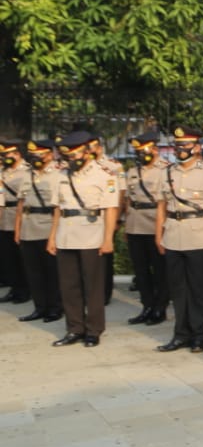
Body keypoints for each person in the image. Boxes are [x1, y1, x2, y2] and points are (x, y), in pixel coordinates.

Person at [154, 126, 203, 353]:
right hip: (173, 235)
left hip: (199, 236)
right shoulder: (166, 173)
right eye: (177, 145)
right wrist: (158, 236)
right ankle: (180, 334)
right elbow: (161, 207)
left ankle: (198, 335)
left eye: (185, 144)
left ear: (197, 147)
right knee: (177, 289)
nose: (180, 149)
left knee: (199, 289)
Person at [47, 131, 119, 348]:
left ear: (87, 152)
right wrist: (52, 237)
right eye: (68, 156)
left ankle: (94, 329)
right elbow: (58, 209)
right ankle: (74, 328)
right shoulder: (60, 175)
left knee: (93, 286)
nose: (71, 160)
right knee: (69, 285)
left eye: (75, 155)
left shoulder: (104, 175)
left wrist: (108, 239)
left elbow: (110, 209)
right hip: (65, 234)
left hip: (91, 234)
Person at [122, 132, 169, 326]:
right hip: (135, 224)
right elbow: (128, 199)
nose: (140, 154)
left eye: (144, 150)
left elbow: (166, 202)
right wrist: (126, 225)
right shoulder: (133, 171)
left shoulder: (166, 170)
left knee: (160, 270)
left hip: (155, 224)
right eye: (137, 151)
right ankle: (147, 306)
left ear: (155, 149)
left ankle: (160, 308)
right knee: (140, 271)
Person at [13, 139, 62, 323]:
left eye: (40, 155)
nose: (36, 158)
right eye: (33, 155)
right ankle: (39, 307)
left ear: (50, 154)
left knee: (51, 272)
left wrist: (54, 236)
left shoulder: (58, 174)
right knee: (33, 272)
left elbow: (58, 208)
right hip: (28, 227)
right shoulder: (28, 175)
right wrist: (17, 229)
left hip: (47, 226)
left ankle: (55, 308)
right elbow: (21, 203)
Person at [88, 133, 124, 305]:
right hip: (87, 221)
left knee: (104, 257)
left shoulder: (113, 166)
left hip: (106, 218)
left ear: (100, 148)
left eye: (92, 147)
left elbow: (121, 193)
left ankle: (104, 292)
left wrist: (116, 219)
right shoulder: (81, 166)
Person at [0, 140, 30, 305]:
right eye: (3, 155)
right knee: (8, 257)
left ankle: (25, 290)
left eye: (7, 154)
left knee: (21, 258)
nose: (5, 158)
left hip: (18, 217)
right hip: (4, 217)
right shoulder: (3, 172)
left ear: (17, 154)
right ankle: (15, 288)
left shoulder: (26, 171)